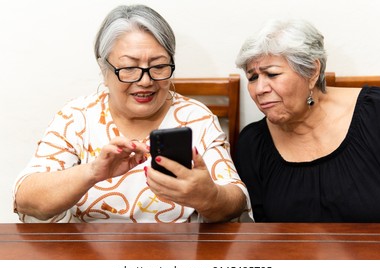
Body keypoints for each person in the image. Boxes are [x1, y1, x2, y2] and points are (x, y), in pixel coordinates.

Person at [13, 4, 252, 223]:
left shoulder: (195, 117)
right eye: (129, 68)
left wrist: (209, 197)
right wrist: (92, 172)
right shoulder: (77, 117)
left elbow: (236, 200)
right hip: (90, 258)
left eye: (159, 66)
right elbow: (26, 198)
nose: (146, 81)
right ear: (104, 69)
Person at [234, 18, 380, 222]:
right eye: (252, 78)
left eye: (271, 74)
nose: (259, 89)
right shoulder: (253, 144)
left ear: (312, 71)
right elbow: (262, 233)